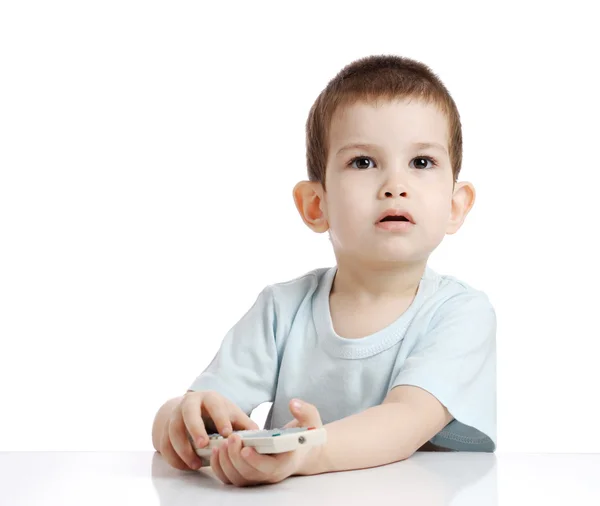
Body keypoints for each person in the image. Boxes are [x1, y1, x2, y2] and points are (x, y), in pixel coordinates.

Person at [151, 54, 497, 487]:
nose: (395, 184)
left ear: (455, 205)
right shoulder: (280, 309)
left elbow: (407, 420)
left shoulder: (461, 314)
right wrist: (180, 421)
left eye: (422, 163)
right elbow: (213, 404)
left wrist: (308, 452)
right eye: (363, 162)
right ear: (317, 205)